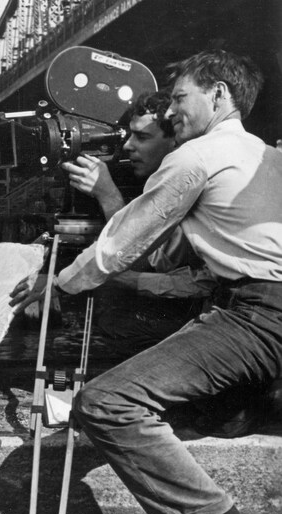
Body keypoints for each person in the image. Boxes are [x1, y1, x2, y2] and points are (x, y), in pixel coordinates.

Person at [11, 49, 279, 514]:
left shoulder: (197, 156)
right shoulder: (262, 155)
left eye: (181, 97)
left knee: (107, 403)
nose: (172, 111)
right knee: (212, 413)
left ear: (219, 95)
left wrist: (59, 285)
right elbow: (170, 253)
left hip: (260, 312)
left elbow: (122, 244)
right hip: (255, 307)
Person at [61, 90, 215, 358]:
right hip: (198, 302)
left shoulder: (186, 182)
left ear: (175, 142)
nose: (128, 146)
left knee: (114, 308)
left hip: (205, 311)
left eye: (142, 137)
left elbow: (147, 260)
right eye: (129, 135)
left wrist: (108, 195)